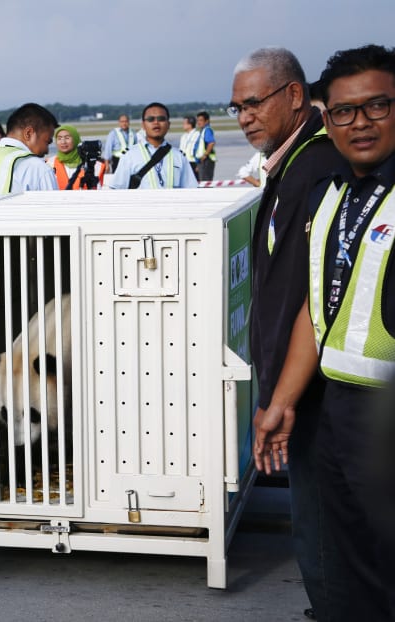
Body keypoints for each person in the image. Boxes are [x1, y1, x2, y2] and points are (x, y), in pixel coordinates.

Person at [229, 47, 345, 620]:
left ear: (295, 96)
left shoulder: (318, 168)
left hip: (317, 394)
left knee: (326, 532)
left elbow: (312, 298)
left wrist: (283, 396)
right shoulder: (290, 163)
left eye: (254, 102)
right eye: (237, 107)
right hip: (297, 391)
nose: (245, 116)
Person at [288, 44, 395, 621]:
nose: (360, 123)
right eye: (345, 111)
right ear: (326, 120)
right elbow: (319, 305)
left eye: (377, 106)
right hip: (339, 410)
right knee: (353, 571)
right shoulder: (334, 195)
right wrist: (283, 401)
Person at [108, 103, 197, 189]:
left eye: (161, 119)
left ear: (168, 124)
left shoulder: (179, 156)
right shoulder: (129, 156)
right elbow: (117, 190)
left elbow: (191, 190)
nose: (156, 123)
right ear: (143, 125)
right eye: (150, 119)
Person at [46, 124, 105, 189]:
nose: (63, 142)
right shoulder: (49, 164)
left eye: (67, 138)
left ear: (75, 139)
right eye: (59, 138)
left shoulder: (95, 165)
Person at [194, 111, 216, 181]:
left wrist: (205, 155)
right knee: (202, 181)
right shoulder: (202, 131)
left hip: (206, 160)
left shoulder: (207, 130)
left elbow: (211, 143)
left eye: (201, 120)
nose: (198, 122)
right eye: (197, 120)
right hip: (202, 161)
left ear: (207, 121)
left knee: (205, 182)